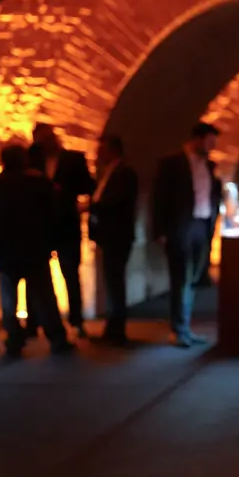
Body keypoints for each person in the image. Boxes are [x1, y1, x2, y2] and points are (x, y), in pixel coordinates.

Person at [0, 144, 74, 357]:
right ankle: (57, 338)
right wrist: (52, 245)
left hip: (5, 253)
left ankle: (14, 340)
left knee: (9, 301)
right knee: (45, 298)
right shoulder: (39, 184)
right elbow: (52, 217)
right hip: (35, 251)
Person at [151, 122, 222, 348]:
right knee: (181, 279)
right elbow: (159, 198)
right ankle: (179, 329)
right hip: (181, 227)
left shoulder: (209, 166)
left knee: (193, 279)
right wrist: (160, 230)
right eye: (209, 142)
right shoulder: (172, 164)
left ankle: (185, 327)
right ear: (197, 140)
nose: (211, 147)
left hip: (202, 227)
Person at [27, 123, 96, 338]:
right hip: (41, 227)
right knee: (36, 275)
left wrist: (65, 191)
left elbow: (88, 186)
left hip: (66, 224)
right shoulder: (32, 161)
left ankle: (76, 320)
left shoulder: (73, 159)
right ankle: (35, 322)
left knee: (71, 274)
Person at [88, 134, 138, 345]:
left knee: (115, 283)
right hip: (109, 235)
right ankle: (112, 329)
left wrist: (91, 206)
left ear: (113, 150)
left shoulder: (125, 173)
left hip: (118, 235)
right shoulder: (108, 172)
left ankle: (117, 331)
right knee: (112, 282)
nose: (98, 153)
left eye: (102, 149)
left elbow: (117, 201)